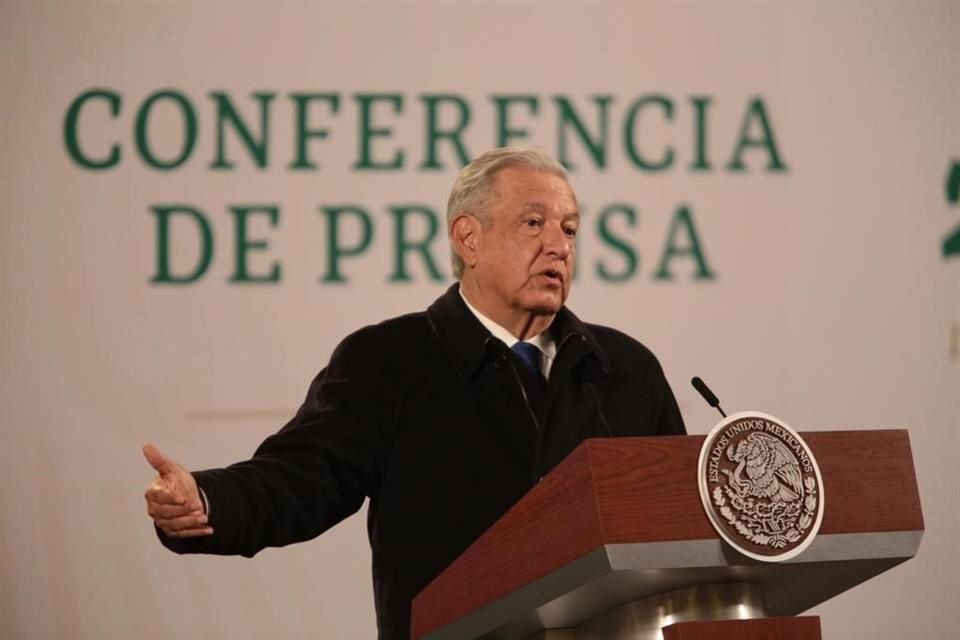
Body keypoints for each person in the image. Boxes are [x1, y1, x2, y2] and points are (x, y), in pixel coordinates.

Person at [143, 146, 686, 639]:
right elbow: (299, 478)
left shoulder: (623, 369)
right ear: (468, 238)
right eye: (533, 223)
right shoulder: (391, 360)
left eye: (569, 229)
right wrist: (209, 500)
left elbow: (675, 523)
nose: (558, 246)